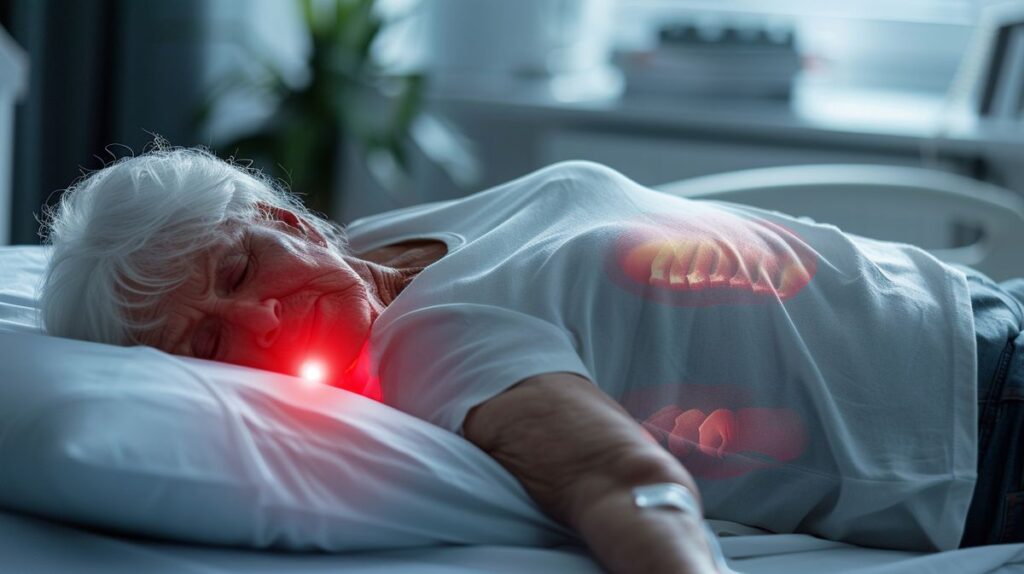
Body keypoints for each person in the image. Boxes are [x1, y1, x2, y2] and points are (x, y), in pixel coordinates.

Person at [39, 146, 1023, 572]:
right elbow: (628, 486)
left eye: (239, 265)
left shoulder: (396, 236)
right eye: (208, 342)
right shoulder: (429, 348)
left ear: (286, 219)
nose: (256, 316)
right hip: (988, 425)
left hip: (980, 309)